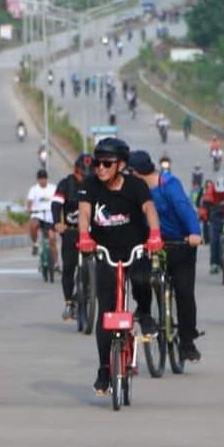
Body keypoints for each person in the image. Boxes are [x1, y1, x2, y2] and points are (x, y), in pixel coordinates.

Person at [76, 138, 163, 395]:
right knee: (106, 315)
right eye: (97, 163)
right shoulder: (90, 185)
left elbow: (149, 209)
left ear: (121, 165)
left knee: (141, 279)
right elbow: (84, 213)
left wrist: (155, 234)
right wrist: (84, 236)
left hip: (135, 249)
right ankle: (104, 369)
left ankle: (145, 314)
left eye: (107, 163)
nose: (100, 168)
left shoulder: (136, 185)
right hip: (104, 252)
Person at [128, 150, 203, 362]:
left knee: (184, 292)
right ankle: (145, 313)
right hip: (150, 244)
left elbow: (185, 209)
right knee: (139, 276)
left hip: (179, 243)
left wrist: (194, 233)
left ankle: (187, 343)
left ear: (138, 172)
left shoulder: (169, 185)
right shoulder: (136, 190)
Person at [51, 153, 92, 321]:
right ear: (76, 171)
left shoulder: (95, 185)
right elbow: (56, 204)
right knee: (68, 267)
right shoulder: (65, 184)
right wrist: (57, 223)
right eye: (83, 174)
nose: (86, 178)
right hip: (70, 231)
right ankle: (69, 302)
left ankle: (90, 290)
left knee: (97, 267)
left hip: (90, 232)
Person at [27, 168, 57, 262]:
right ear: (38, 179)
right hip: (38, 215)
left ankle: (56, 264)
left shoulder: (53, 188)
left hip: (50, 217)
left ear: (47, 179)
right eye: (40, 178)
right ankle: (35, 243)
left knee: (52, 239)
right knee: (33, 224)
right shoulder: (34, 189)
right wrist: (29, 208)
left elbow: (57, 201)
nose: (42, 180)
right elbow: (30, 202)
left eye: (44, 178)